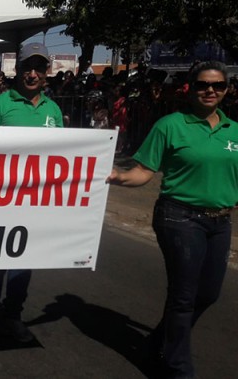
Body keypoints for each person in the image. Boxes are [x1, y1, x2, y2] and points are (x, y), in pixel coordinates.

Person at [108, 61, 237, 378]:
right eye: (202, 85)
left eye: (217, 85)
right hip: (179, 217)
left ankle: (156, 344)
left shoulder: (234, 130)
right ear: (189, 88)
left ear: (226, 90)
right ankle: (178, 367)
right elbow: (143, 171)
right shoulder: (170, 125)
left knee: (208, 294)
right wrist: (118, 176)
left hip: (220, 222)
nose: (210, 90)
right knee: (183, 294)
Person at [0, 42, 63, 354]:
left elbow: (62, 157)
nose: (33, 74)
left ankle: (13, 316)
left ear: (47, 72)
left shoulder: (53, 110)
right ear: (19, 70)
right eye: (28, 67)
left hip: (34, 202)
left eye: (39, 68)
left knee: (24, 264)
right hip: (0, 201)